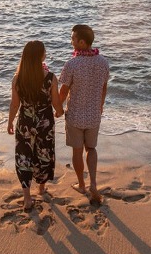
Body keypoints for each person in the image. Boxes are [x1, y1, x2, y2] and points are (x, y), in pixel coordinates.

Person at [8, 40, 63, 211]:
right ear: (41, 56)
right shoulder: (50, 78)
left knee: (24, 157)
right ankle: (41, 188)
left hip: (25, 122)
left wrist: (10, 121)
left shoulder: (17, 79)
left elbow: (15, 104)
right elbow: (56, 104)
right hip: (44, 122)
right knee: (44, 153)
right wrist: (60, 112)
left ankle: (27, 198)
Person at [59, 24, 110, 205]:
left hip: (75, 116)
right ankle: (93, 184)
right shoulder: (103, 62)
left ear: (81, 42)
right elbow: (104, 87)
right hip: (94, 115)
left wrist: (57, 108)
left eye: (73, 38)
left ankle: (81, 184)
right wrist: (100, 105)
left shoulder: (72, 64)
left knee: (77, 150)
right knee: (92, 149)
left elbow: (63, 92)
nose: (71, 41)